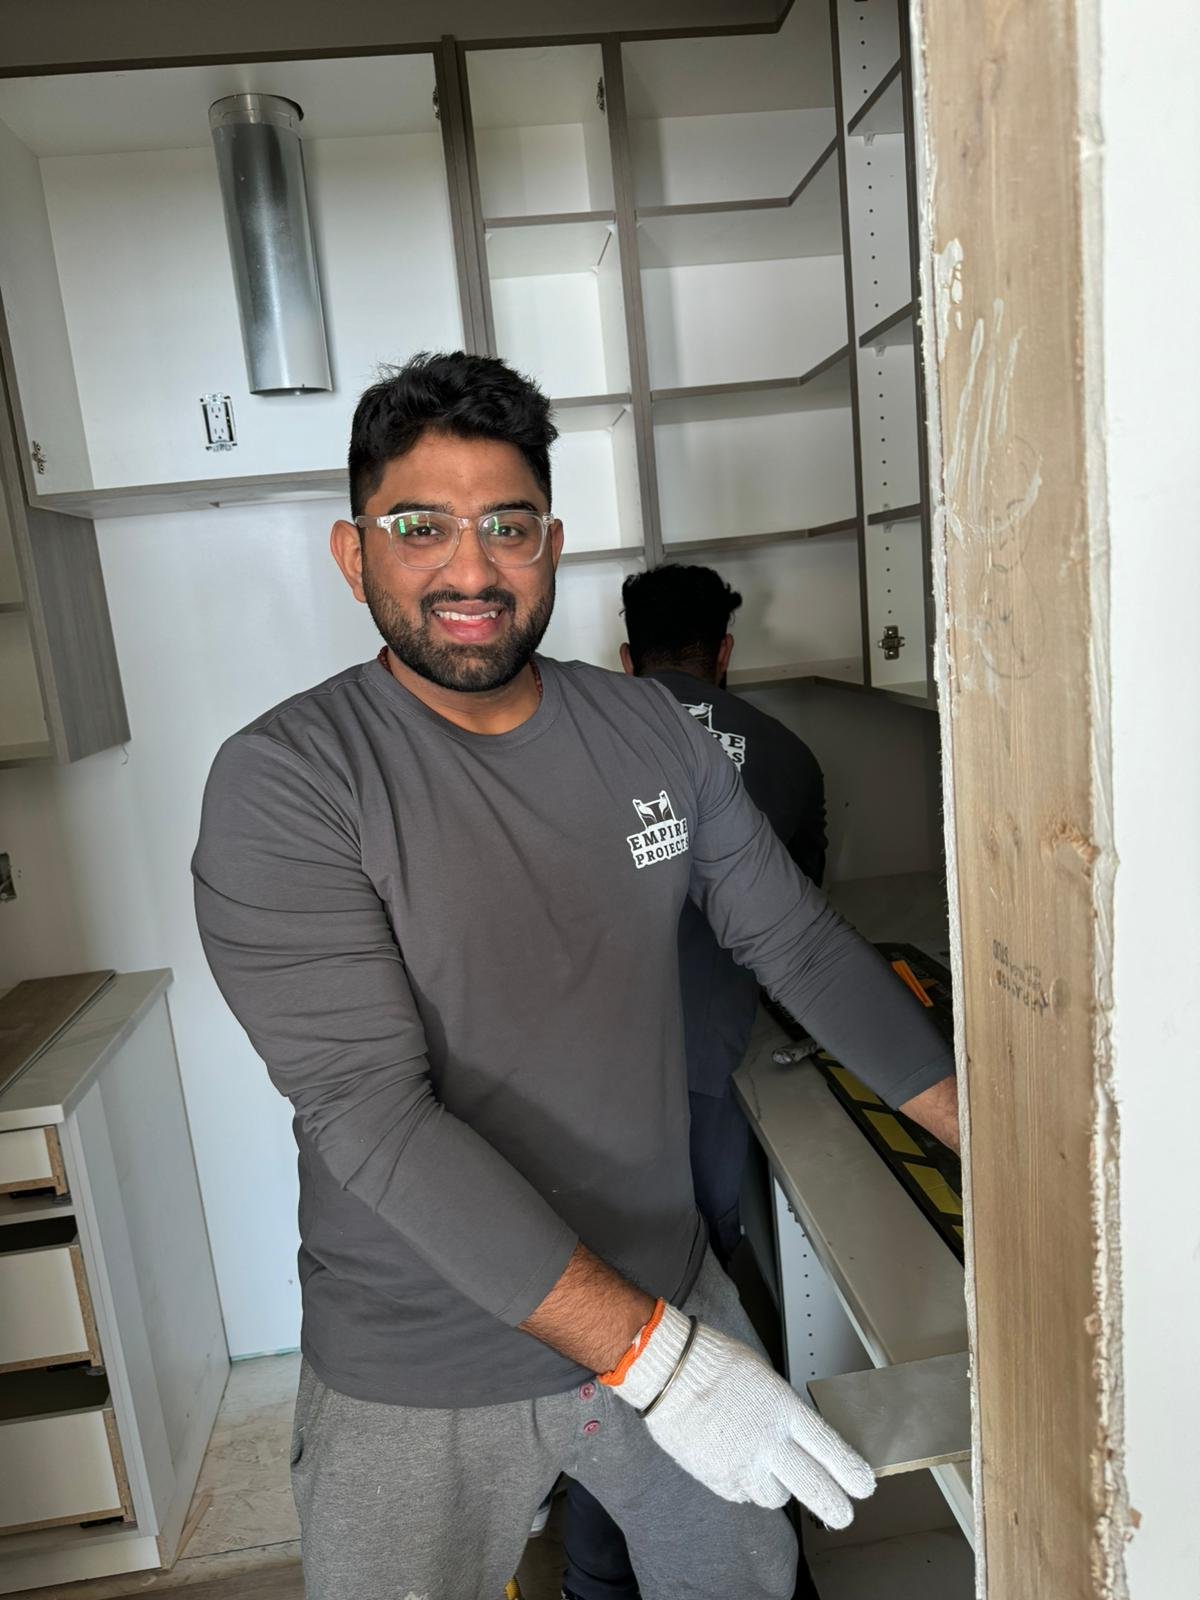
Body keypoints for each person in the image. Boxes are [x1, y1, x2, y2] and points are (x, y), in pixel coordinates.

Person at [192, 351, 960, 1600]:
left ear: (551, 544)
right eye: (420, 526)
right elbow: (372, 1118)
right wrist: (665, 1365)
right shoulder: (288, 781)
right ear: (353, 552)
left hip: (666, 1282)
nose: (471, 569)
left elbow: (801, 945)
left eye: (507, 525)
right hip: (422, 1357)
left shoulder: (652, 732)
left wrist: (992, 1143)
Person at [560, 565, 831, 1600]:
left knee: (610, 1318)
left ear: (628, 655)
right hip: (714, 1083)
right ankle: (747, 1549)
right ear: (724, 653)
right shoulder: (790, 756)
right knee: (698, 1305)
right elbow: (801, 945)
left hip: (580, 1097)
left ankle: (601, 1570)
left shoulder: (571, 742)